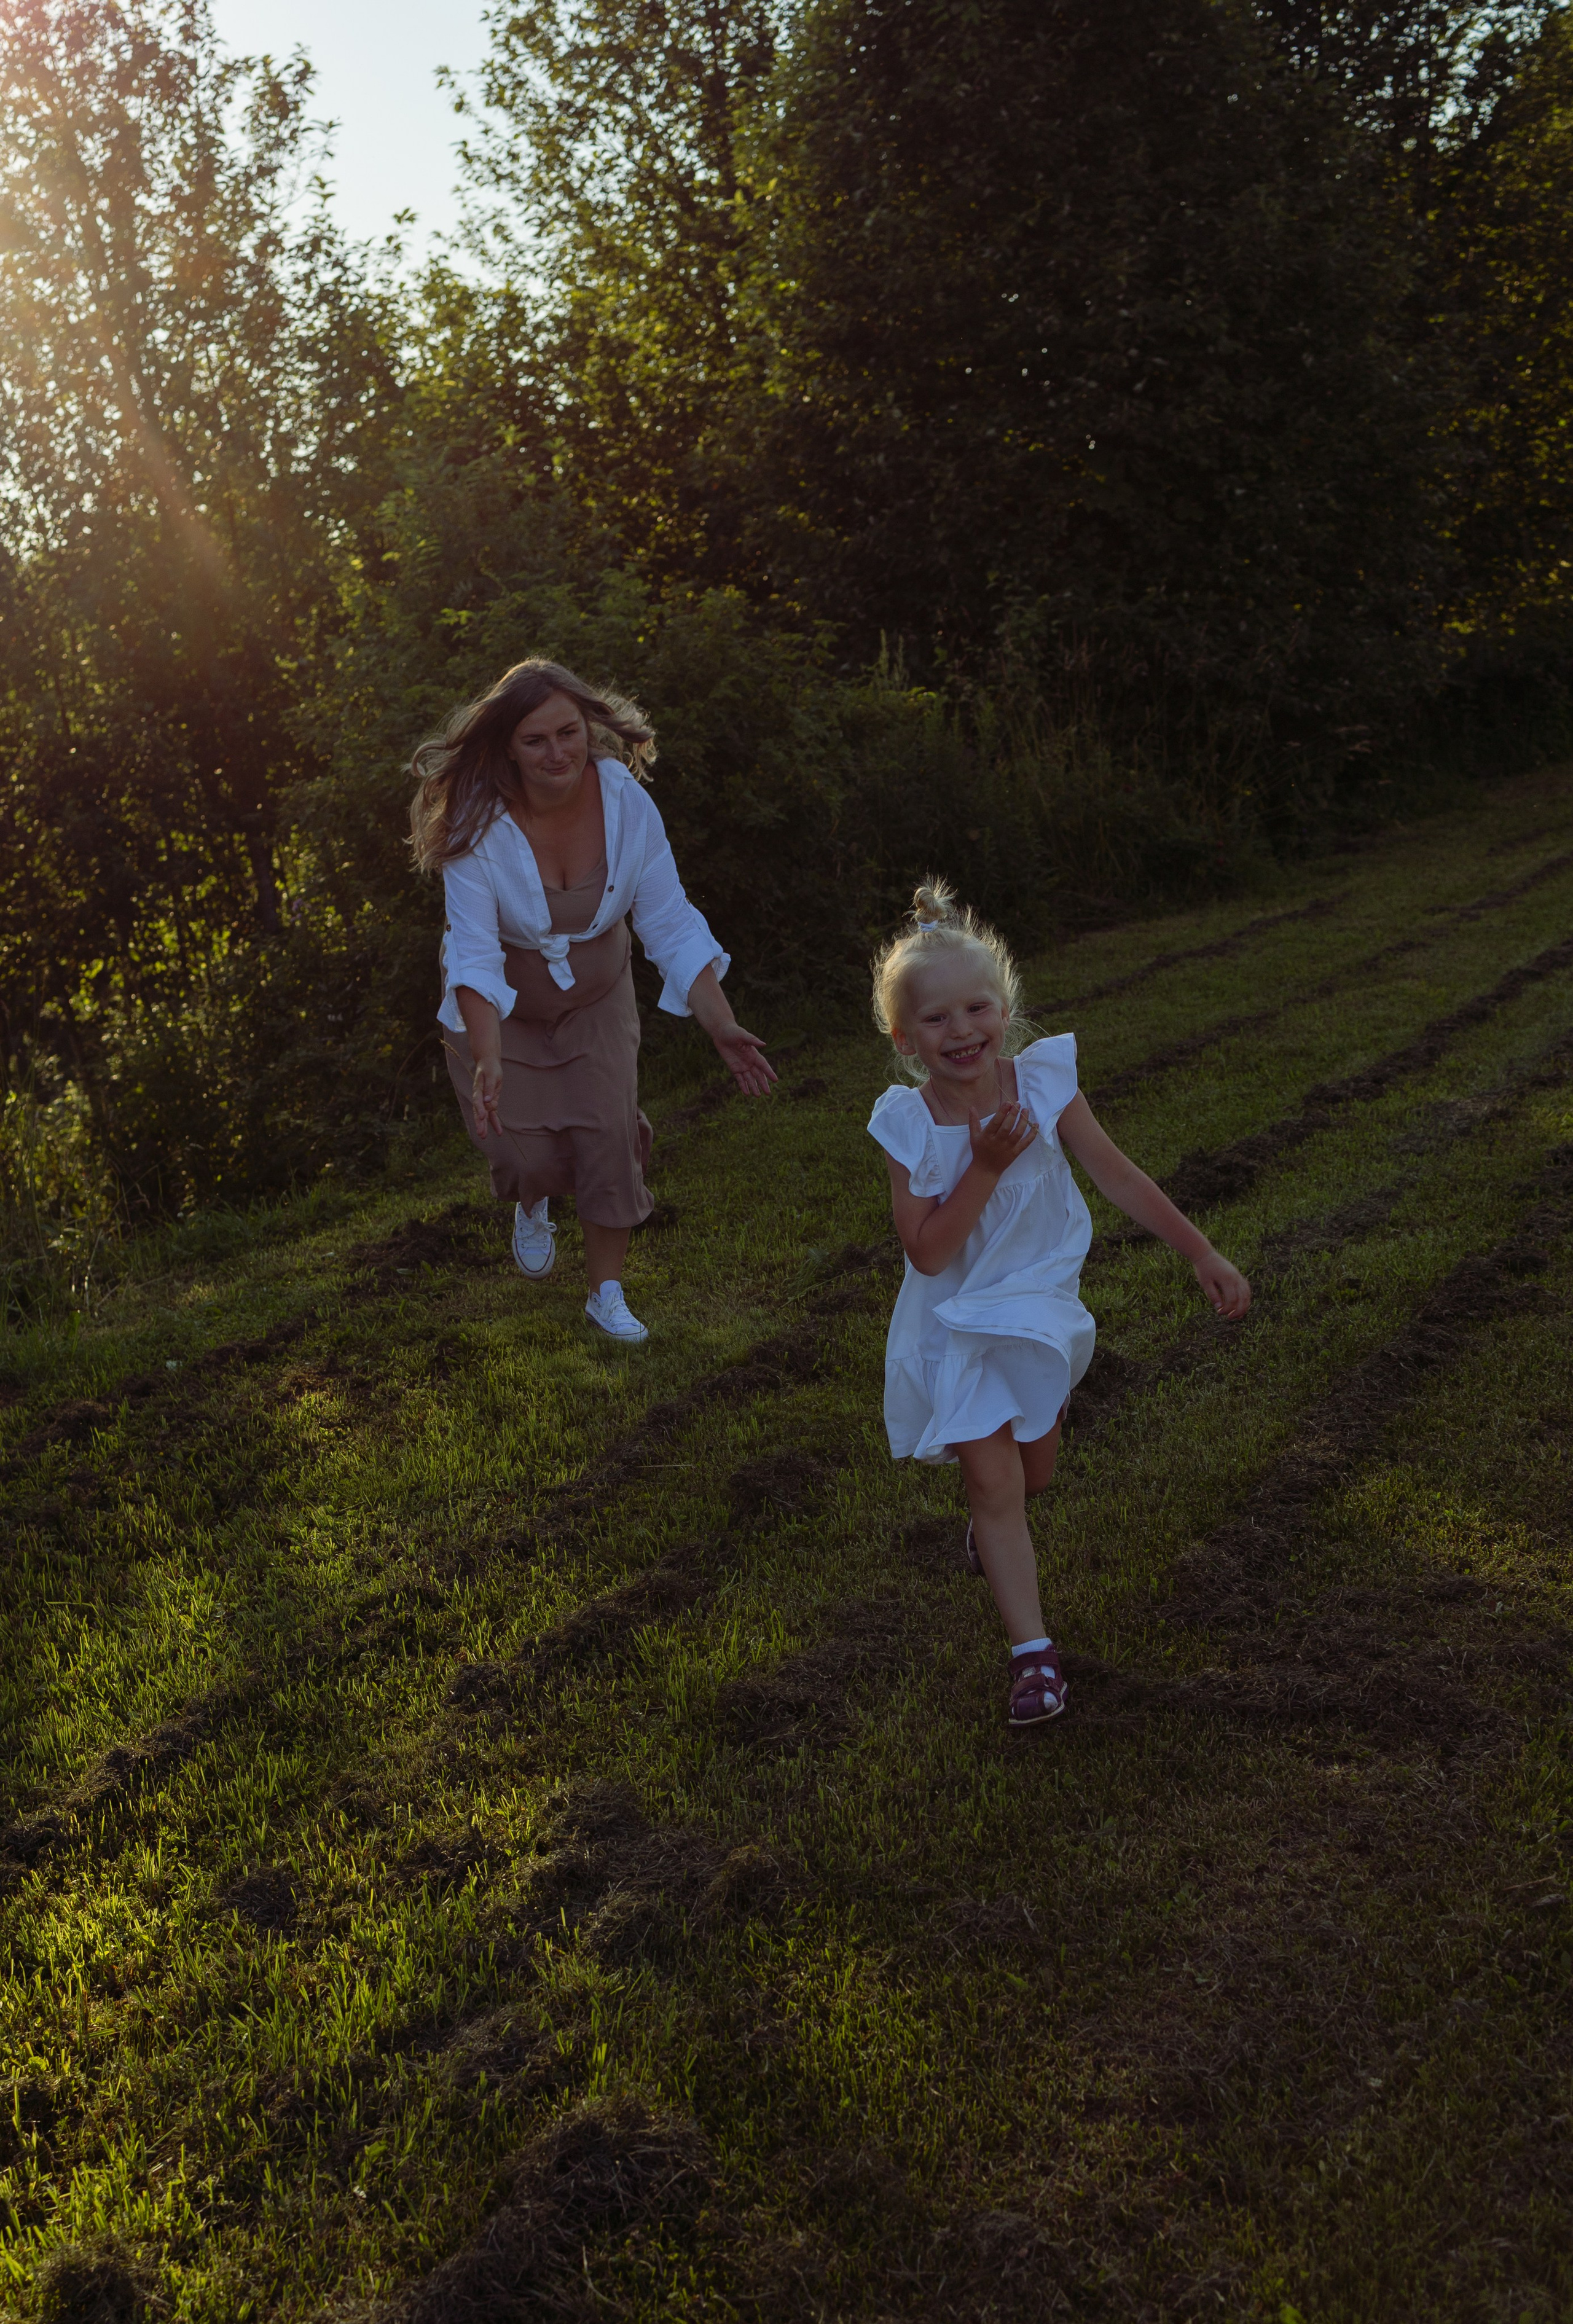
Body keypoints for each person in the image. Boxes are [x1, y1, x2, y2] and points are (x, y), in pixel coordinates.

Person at [867, 881, 1251, 1726]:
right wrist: (985, 1168)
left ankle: (1000, 1508)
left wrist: (1201, 1251)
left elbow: (1118, 1175)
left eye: (977, 1008)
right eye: (935, 1018)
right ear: (904, 1037)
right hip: (957, 1319)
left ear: (1005, 1011)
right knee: (992, 1479)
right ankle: (1033, 1658)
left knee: (1032, 1474)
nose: (961, 1030)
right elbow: (927, 1252)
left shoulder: (1041, 1085)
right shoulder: (908, 1124)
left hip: (1038, 1306)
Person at [411, 659, 775, 1342]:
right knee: (520, 1155)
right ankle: (533, 1200)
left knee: (608, 1136)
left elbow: (668, 920)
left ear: (588, 728)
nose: (557, 753)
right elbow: (475, 951)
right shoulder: (475, 823)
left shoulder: (627, 805)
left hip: (597, 995)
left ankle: (606, 1292)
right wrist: (486, 1053)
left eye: (568, 733)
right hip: (500, 1005)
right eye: (535, 740)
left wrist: (721, 1024)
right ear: (508, 748)